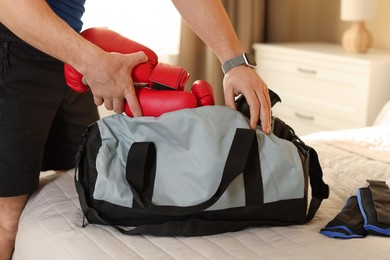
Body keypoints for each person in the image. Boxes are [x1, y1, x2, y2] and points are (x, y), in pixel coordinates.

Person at [0, 0, 271, 258]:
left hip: (64, 46)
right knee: (6, 216)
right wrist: (91, 61)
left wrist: (235, 63)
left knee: (81, 184)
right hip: (15, 42)